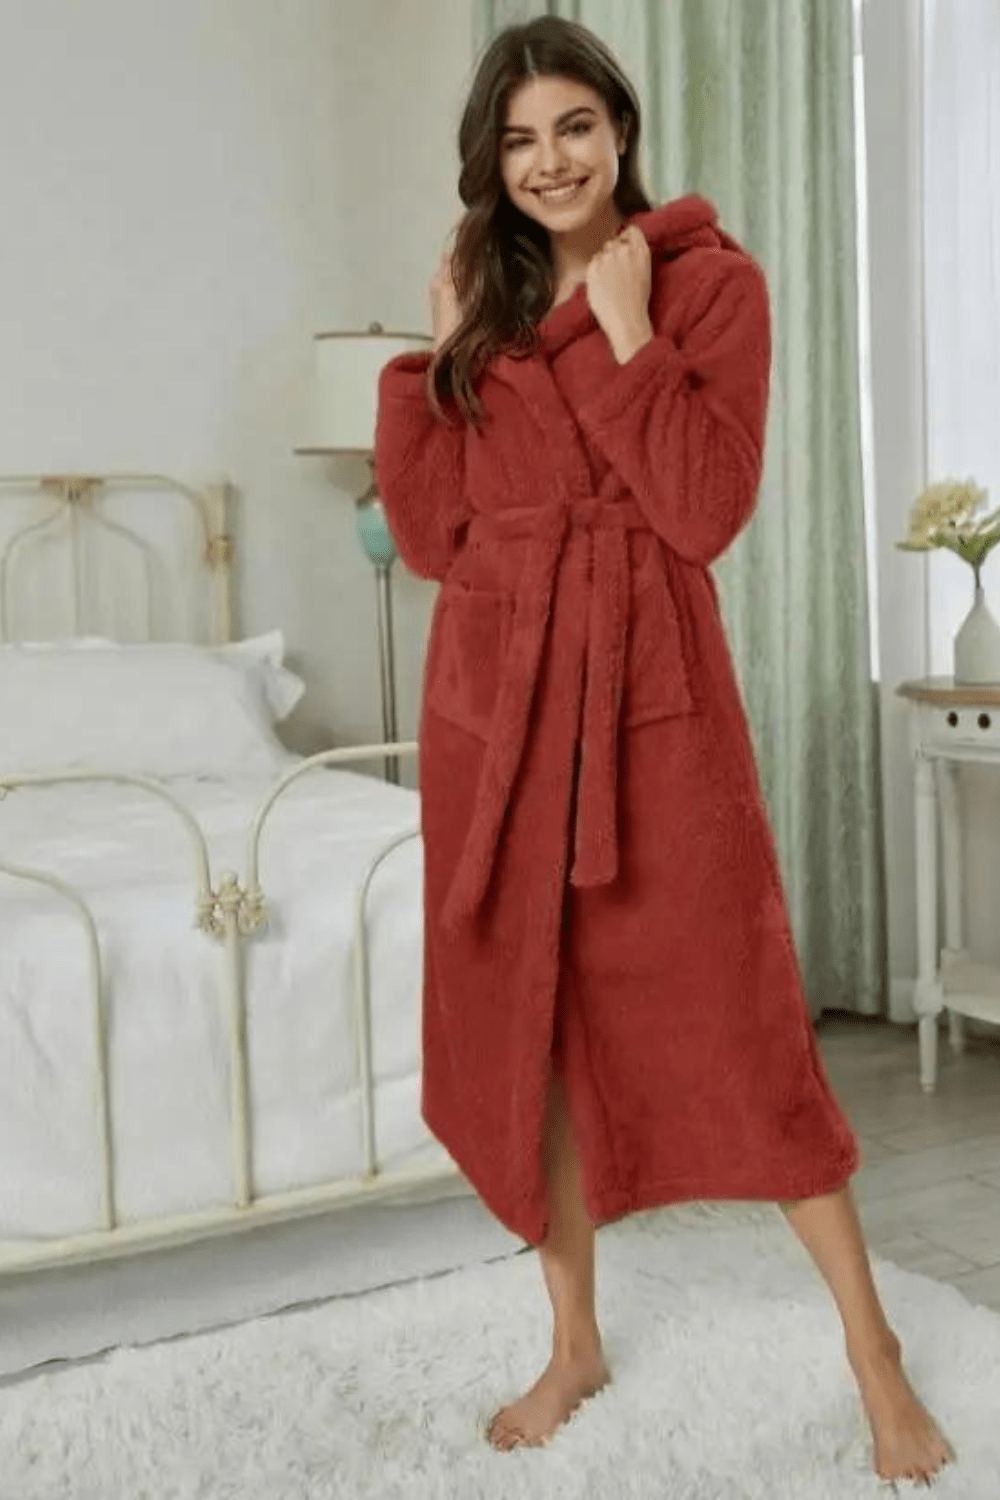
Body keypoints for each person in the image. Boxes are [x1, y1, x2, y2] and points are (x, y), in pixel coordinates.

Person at [373, 15, 955, 1487]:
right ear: (492, 162)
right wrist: (432, 353)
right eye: (518, 140)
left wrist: (631, 335)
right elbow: (432, 539)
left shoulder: (707, 283)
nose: (549, 161)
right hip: (500, 714)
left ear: (620, 129)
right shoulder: (488, 300)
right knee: (535, 1031)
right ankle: (573, 1340)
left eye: (573, 126)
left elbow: (702, 514)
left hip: (648, 696)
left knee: (741, 1017)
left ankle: (873, 1350)